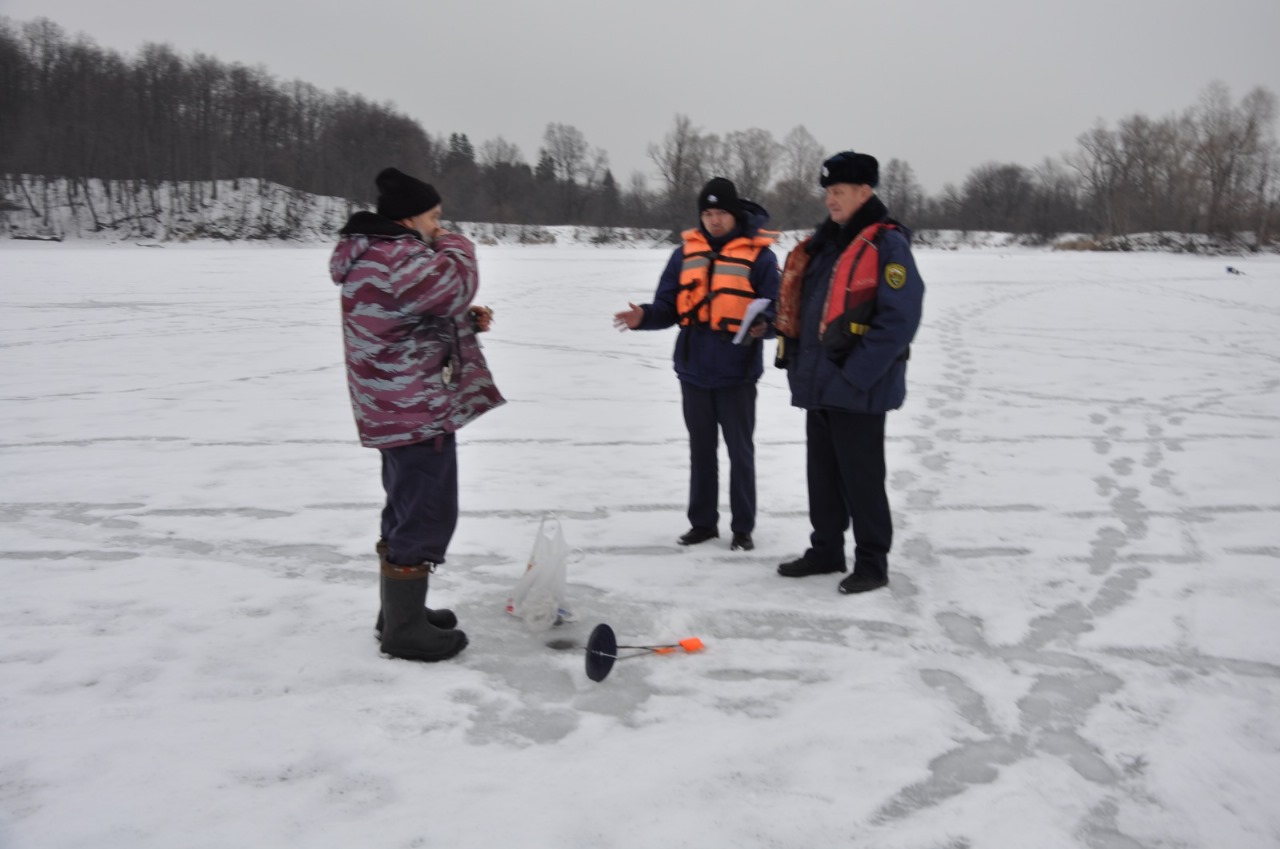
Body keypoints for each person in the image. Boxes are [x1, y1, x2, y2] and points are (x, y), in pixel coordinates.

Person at [330, 167, 504, 661]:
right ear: (410, 218)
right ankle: (404, 630)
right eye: (434, 217)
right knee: (425, 512)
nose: (439, 226)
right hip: (412, 410)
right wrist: (457, 244)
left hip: (396, 408)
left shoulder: (379, 254)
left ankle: (398, 613)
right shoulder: (395, 255)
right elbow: (456, 284)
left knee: (406, 506)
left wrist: (463, 322)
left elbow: (409, 313)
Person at [773, 151, 924, 594]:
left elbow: (899, 319)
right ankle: (826, 550)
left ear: (865, 191)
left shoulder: (887, 245)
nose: (831, 201)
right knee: (822, 474)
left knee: (861, 479)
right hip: (820, 383)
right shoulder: (826, 244)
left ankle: (873, 562)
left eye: (838, 192)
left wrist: (857, 375)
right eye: (828, 193)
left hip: (858, 387)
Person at [613, 178, 780, 551]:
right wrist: (645, 316)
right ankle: (703, 523)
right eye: (707, 213)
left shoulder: (761, 257)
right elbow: (668, 306)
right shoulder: (684, 254)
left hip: (737, 371)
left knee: (740, 451)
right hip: (693, 370)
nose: (714, 220)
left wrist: (764, 326)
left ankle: (743, 528)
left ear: (734, 214)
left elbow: (779, 314)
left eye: (720, 213)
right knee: (701, 450)